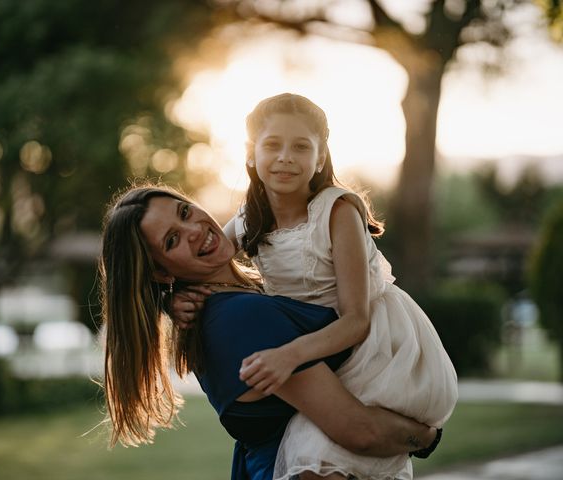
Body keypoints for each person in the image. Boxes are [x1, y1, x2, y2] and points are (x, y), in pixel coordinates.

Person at [171, 93, 458, 480]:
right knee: (314, 444)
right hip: (317, 344)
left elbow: (357, 319)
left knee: (322, 444)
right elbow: (207, 265)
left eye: (301, 147)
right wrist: (175, 301)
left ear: (319, 158)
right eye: (272, 144)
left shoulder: (336, 212)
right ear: (251, 154)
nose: (286, 156)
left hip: (373, 344)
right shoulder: (247, 220)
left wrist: (289, 355)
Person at [99, 184, 440, 480]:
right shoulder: (239, 318)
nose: (194, 230)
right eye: (172, 240)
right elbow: (358, 430)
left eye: (185, 212)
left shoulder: (247, 295)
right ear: (160, 273)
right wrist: (426, 437)